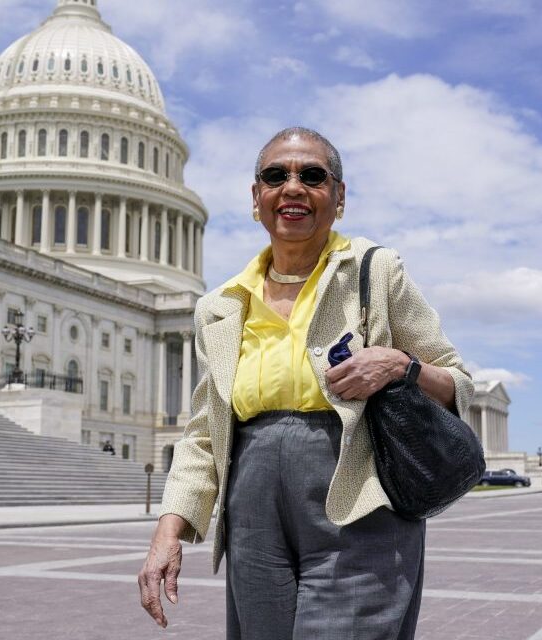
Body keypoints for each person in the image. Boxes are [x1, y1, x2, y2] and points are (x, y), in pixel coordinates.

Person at [137, 127, 477, 639]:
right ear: (257, 199)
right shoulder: (222, 306)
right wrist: (169, 530)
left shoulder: (375, 272)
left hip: (357, 499)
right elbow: (205, 431)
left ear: (337, 197)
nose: (292, 187)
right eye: (276, 176)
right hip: (252, 512)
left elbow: (458, 382)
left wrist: (397, 364)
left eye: (312, 176)